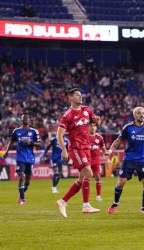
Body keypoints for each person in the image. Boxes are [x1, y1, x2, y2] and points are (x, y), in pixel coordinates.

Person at [106, 107, 144, 215]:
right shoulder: (128, 128)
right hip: (128, 159)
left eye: (143, 113)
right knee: (121, 182)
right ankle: (115, 203)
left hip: (142, 160)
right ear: (134, 115)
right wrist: (110, 150)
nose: (142, 115)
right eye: (139, 113)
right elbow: (118, 141)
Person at [56, 88, 100, 218]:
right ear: (70, 98)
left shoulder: (87, 110)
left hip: (86, 147)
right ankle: (86, 206)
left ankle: (62, 201)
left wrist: (97, 120)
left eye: (81, 95)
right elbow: (60, 134)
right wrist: (64, 150)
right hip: (76, 148)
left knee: (81, 179)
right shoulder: (67, 115)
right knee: (89, 173)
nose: (80, 97)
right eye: (77, 95)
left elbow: (95, 122)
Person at [3, 114, 43, 204]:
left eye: (27, 118)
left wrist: (31, 142)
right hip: (20, 157)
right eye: (24, 118)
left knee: (28, 181)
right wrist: (6, 151)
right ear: (21, 120)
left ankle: (21, 195)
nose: (26, 120)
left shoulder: (34, 131)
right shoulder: (16, 131)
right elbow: (11, 142)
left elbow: (41, 144)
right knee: (22, 176)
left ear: (29, 120)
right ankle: (23, 199)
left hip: (30, 158)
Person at [89, 123, 106, 201]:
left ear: (96, 128)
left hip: (96, 161)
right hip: (87, 161)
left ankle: (98, 196)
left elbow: (104, 150)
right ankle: (86, 198)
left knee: (98, 177)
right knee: (85, 178)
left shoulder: (99, 138)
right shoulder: (84, 137)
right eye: (91, 126)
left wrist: (107, 159)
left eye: (94, 126)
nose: (92, 128)